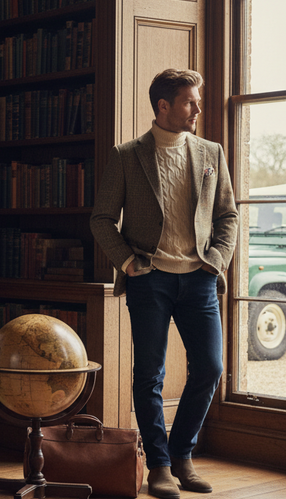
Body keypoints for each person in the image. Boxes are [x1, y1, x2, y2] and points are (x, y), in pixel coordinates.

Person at [90, 69, 238, 499]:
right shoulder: (127, 155)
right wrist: (127, 263)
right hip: (149, 280)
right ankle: (158, 466)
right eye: (190, 102)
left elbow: (228, 216)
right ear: (163, 106)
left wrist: (215, 262)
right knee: (150, 374)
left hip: (200, 280)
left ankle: (181, 457)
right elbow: (102, 219)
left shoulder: (212, 152)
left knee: (210, 367)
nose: (197, 109)